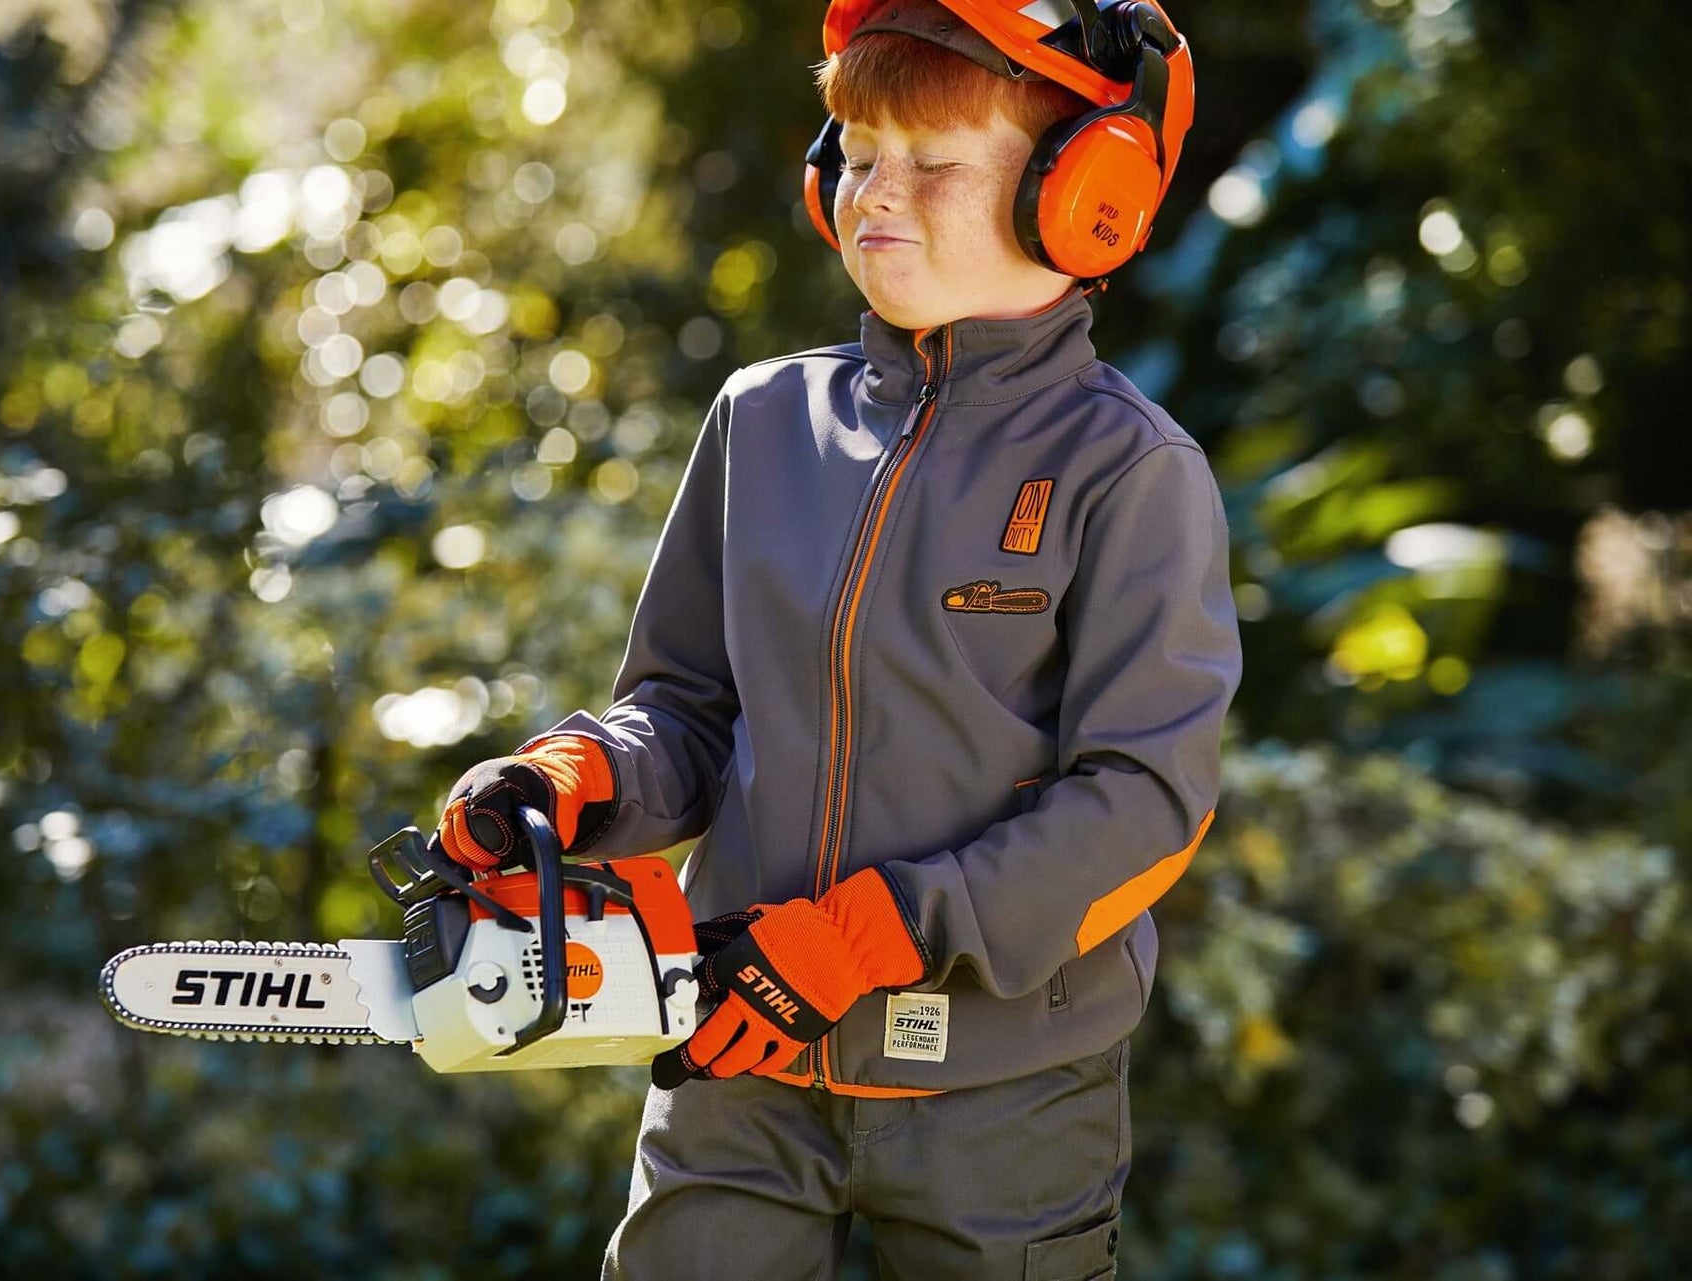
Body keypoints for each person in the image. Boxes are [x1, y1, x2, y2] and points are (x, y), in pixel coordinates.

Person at [437, 0, 1240, 1275]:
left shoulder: (1128, 472)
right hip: (740, 1049)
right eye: (857, 151)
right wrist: (579, 779)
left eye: (931, 163)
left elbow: (1147, 804)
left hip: (1004, 1090)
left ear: (1085, 189)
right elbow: (686, 709)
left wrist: (874, 935)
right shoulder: (766, 422)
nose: (875, 192)